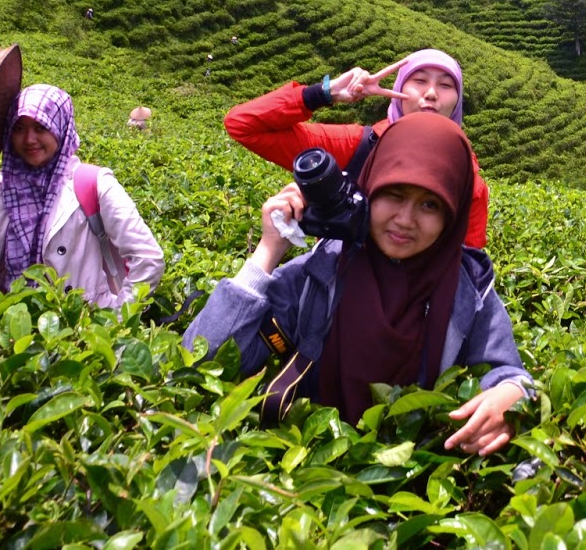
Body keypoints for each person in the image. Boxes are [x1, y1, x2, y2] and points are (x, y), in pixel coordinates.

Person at [184, 112, 529, 454]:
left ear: (451, 214)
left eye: (429, 204)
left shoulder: (468, 291)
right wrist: (268, 250)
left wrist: (513, 394)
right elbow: (200, 363)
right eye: (394, 193)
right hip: (308, 467)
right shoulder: (321, 271)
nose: (405, 220)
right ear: (371, 187)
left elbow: (507, 372)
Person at [224, 49, 490, 247]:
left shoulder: (467, 177)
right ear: (399, 88)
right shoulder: (357, 146)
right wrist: (325, 93)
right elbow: (242, 125)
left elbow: (467, 260)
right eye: (419, 81)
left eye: (445, 85)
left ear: (457, 101)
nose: (431, 93)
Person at [0, 84, 164, 308]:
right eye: (19, 128)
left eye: (41, 127)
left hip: (77, 329)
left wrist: (117, 319)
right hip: (5, 326)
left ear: (60, 126)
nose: (29, 139)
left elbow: (148, 258)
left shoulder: (93, 183)